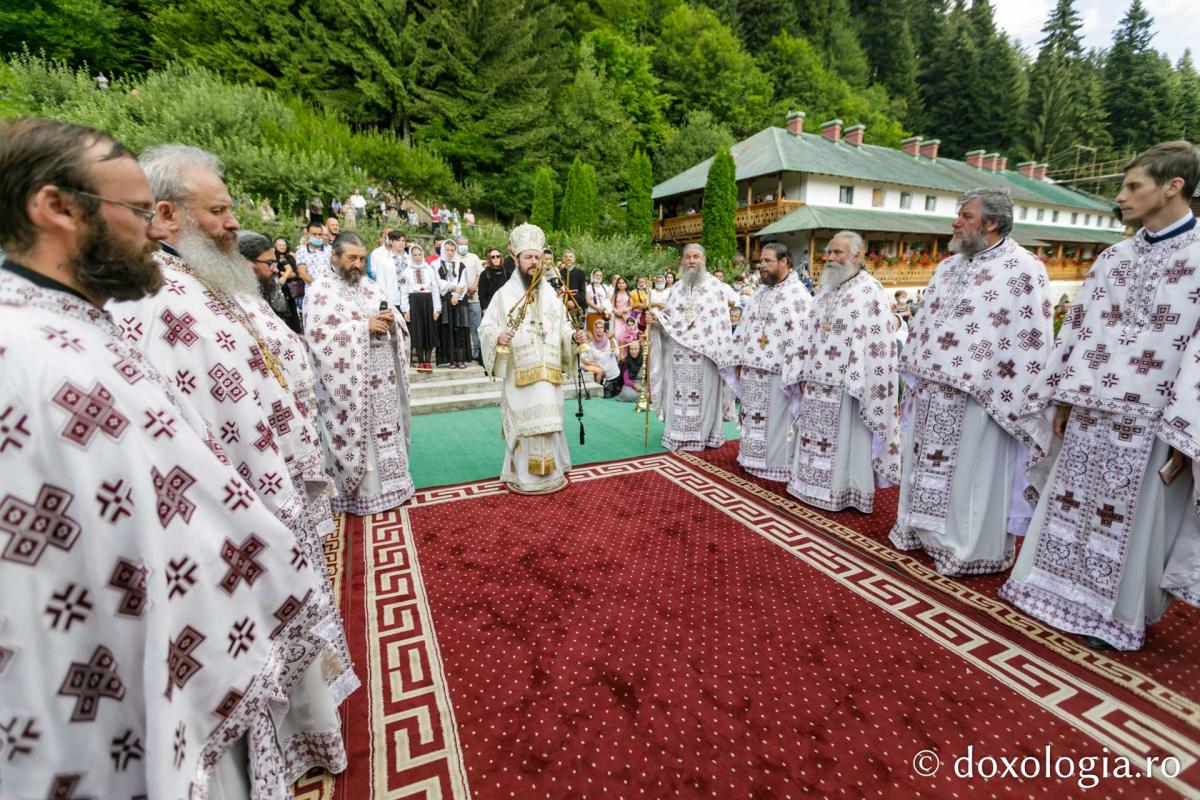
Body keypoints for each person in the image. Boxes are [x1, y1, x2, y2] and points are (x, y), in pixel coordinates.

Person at [0, 117, 353, 800]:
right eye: (135, 212)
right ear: (56, 209)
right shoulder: (33, 355)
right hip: (123, 681)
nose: (155, 231)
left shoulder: (75, 322)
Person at [101, 141, 356, 788]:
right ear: (165, 217)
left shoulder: (200, 286)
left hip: (263, 502)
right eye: (219, 211)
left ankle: (303, 740)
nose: (234, 224)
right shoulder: (159, 302)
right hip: (229, 523)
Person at [1000, 141, 1200, 650]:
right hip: (1090, 411)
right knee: (1070, 505)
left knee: (1131, 524)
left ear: (1173, 186)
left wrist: (1188, 427)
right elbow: (1080, 332)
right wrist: (1063, 398)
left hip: (1154, 420)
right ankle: (1053, 593)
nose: (1121, 197)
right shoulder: (1114, 258)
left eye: (1134, 186)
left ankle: (1115, 617)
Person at [889, 188, 1054, 576]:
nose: (955, 222)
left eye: (965, 215)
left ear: (991, 223)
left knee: (971, 475)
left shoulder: (1024, 269)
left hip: (983, 397)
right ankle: (922, 532)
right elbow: (926, 325)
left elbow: (1031, 339)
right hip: (933, 392)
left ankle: (968, 548)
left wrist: (1003, 387)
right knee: (926, 467)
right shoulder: (948, 267)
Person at [781, 233, 900, 510]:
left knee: (846, 441)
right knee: (812, 439)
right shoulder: (824, 291)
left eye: (838, 253)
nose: (831, 258)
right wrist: (801, 371)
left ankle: (842, 491)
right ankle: (807, 484)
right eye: (829, 252)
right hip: (815, 382)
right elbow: (807, 334)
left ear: (857, 256)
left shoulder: (870, 291)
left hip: (848, 386)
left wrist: (861, 380)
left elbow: (879, 344)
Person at [304, 233, 414, 514]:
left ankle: (396, 486)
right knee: (365, 438)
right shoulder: (320, 291)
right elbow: (319, 338)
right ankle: (363, 496)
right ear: (335, 257)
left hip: (384, 379)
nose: (358, 264)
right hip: (352, 385)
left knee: (388, 433)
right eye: (352, 258)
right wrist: (362, 327)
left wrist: (392, 321)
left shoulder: (370, 286)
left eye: (362, 258)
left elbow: (393, 316)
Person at [478, 223, 589, 494]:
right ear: (516, 259)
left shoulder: (551, 295)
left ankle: (552, 475)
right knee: (527, 426)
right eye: (528, 257)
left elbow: (563, 327)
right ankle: (524, 478)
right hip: (520, 375)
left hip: (548, 374)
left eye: (538, 257)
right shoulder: (504, 296)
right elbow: (486, 328)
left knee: (549, 424)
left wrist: (572, 338)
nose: (534, 262)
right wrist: (498, 337)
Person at [720, 242, 812, 482]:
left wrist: (799, 373)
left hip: (779, 375)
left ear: (784, 262)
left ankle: (776, 464)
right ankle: (751, 457)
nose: (761, 265)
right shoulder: (759, 294)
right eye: (760, 261)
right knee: (753, 417)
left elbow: (803, 337)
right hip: (752, 371)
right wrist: (738, 361)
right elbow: (744, 329)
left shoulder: (799, 296)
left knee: (776, 421)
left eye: (767, 261)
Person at [647, 244, 735, 451]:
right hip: (678, 356)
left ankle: (704, 435)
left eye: (696, 257)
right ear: (682, 261)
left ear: (704, 259)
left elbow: (720, 323)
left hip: (705, 355)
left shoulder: (716, 287)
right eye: (687, 257)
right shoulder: (677, 288)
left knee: (703, 396)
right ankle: (678, 434)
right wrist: (657, 319)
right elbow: (670, 318)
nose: (692, 261)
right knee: (679, 396)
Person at [240, 230, 301, 333]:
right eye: (270, 263)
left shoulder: (267, 288)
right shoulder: (238, 303)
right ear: (246, 262)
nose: (276, 270)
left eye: (275, 263)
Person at [399, 242, 441, 371]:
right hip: (414, 303)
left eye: (419, 254)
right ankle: (421, 362)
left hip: (427, 302)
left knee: (429, 331)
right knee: (417, 332)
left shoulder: (428, 269)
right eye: (414, 255)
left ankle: (428, 361)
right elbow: (403, 291)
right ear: (411, 256)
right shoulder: (406, 271)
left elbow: (435, 289)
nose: (417, 257)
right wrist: (405, 310)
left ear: (422, 254)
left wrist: (437, 308)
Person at [435, 239, 469, 368]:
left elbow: (463, 282)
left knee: (460, 328)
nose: (449, 253)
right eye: (447, 250)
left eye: (452, 250)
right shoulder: (436, 265)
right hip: (444, 299)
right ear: (443, 250)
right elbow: (438, 282)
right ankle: (451, 359)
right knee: (447, 329)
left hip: (459, 299)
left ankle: (460, 359)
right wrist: (453, 288)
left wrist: (456, 295)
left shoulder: (461, 265)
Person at [457, 235, 484, 363]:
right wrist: (465, 289)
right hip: (459, 297)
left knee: (476, 326)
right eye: (461, 244)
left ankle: (477, 352)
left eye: (465, 244)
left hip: (475, 297)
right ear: (456, 244)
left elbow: (481, 273)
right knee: (461, 326)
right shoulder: (454, 258)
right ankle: (463, 352)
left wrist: (473, 286)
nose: (463, 246)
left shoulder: (474, 257)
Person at [581, 317, 621, 395]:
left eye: (602, 327)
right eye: (597, 327)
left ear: (604, 328)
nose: (599, 329)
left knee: (606, 395)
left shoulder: (611, 340)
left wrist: (611, 339)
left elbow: (616, 353)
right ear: (594, 329)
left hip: (613, 376)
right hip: (601, 377)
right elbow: (589, 360)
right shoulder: (591, 344)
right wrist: (598, 368)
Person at [373, 229, 409, 308]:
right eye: (397, 240)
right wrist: (385, 301)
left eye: (403, 240)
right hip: (392, 300)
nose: (401, 243)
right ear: (391, 242)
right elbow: (381, 283)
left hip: (410, 299)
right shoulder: (383, 260)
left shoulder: (411, 259)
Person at [478, 246, 512, 313]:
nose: (496, 258)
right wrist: (484, 308)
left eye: (498, 256)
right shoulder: (484, 274)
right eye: (493, 257)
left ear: (501, 257)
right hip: (490, 308)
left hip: (506, 307)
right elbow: (481, 294)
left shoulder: (507, 273)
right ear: (489, 259)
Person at [585, 267, 612, 338]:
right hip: (593, 312)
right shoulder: (588, 287)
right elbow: (588, 300)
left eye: (600, 275)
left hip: (604, 313)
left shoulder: (605, 287)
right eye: (597, 275)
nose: (599, 277)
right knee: (592, 333)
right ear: (593, 276)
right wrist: (597, 308)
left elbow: (608, 298)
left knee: (604, 332)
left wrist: (603, 308)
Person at [617, 337, 645, 402]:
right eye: (631, 349)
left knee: (648, 393)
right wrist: (634, 385)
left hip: (642, 384)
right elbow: (626, 379)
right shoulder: (626, 361)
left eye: (636, 349)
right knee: (626, 394)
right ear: (629, 350)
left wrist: (641, 386)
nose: (633, 351)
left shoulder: (645, 360)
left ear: (640, 350)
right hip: (630, 384)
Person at [612, 275, 633, 342]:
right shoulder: (615, 294)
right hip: (618, 318)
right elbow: (611, 306)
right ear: (617, 285)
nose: (621, 285)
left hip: (626, 318)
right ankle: (618, 351)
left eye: (623, 283)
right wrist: (617, 312)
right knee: (617, 334)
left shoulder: (629, 294)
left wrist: (626, 310)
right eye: (619, 283)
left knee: (627, 335)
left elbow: (631, 305)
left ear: (626, 284)